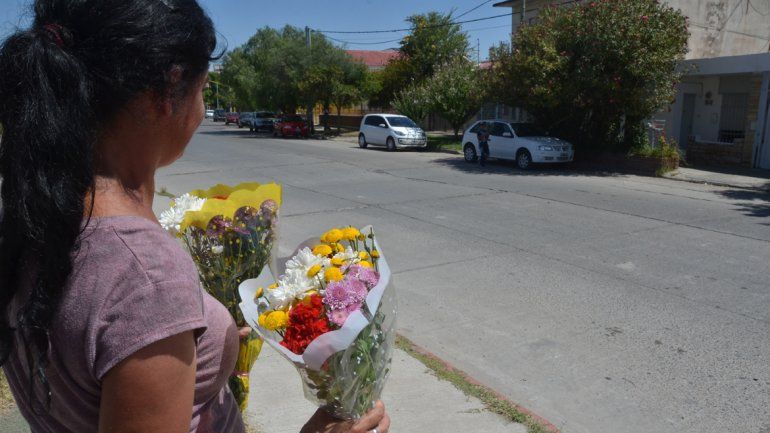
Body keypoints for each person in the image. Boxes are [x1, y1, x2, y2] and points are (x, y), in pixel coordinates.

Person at [0, 2, 389, 433]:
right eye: (203, 88)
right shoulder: (145, 277)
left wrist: (193, 338)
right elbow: (130, 308)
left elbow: (96, 339)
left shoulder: (34, 217)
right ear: (166, 91)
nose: (202, 110)